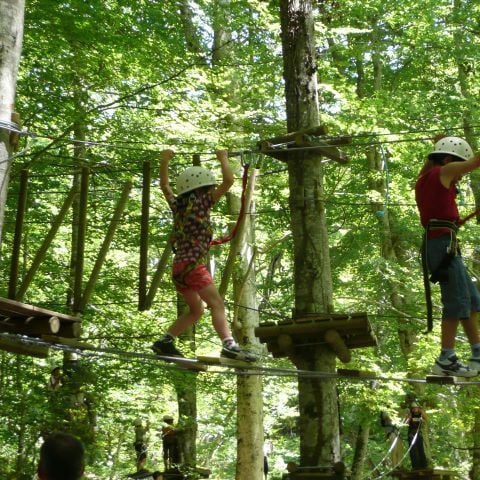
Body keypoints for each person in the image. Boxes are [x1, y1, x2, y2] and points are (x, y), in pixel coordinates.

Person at [151, 149, 256, 361]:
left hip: (179, 268)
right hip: (193, 267)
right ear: (203, 189)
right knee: (217, 304)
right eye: (210, 188)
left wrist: (164, 161)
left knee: (196, 310)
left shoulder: (177, 205)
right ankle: (229, 344)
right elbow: (228, 182)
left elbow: (164, 186)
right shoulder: (203, 202)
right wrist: (223, 158)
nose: (212, 190)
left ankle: (165, 341)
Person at [415, 135, 480, 376]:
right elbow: (474, 163)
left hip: (445, 244)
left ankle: (477, 352)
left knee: (471, 299)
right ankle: (446, 358)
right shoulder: (442, 172)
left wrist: (440, 144)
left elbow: (434, 162)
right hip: (441, 245)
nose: (460, 176)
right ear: (448, 161)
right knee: (456, 301)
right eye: (458, 168)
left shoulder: (427, 176)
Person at [406, 402, 428, 470]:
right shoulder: (410, 414)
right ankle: (415, 466)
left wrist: (422, 411)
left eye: (416, 408)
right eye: (413, 408)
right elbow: (407, 421)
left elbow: (426, 419)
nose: (415, 409)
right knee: (413, 450)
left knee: (421, 449)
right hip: (411, 434)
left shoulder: (421, 414)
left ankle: (423, 465)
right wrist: (409, 415)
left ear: (418, 408)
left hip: (418, 434)